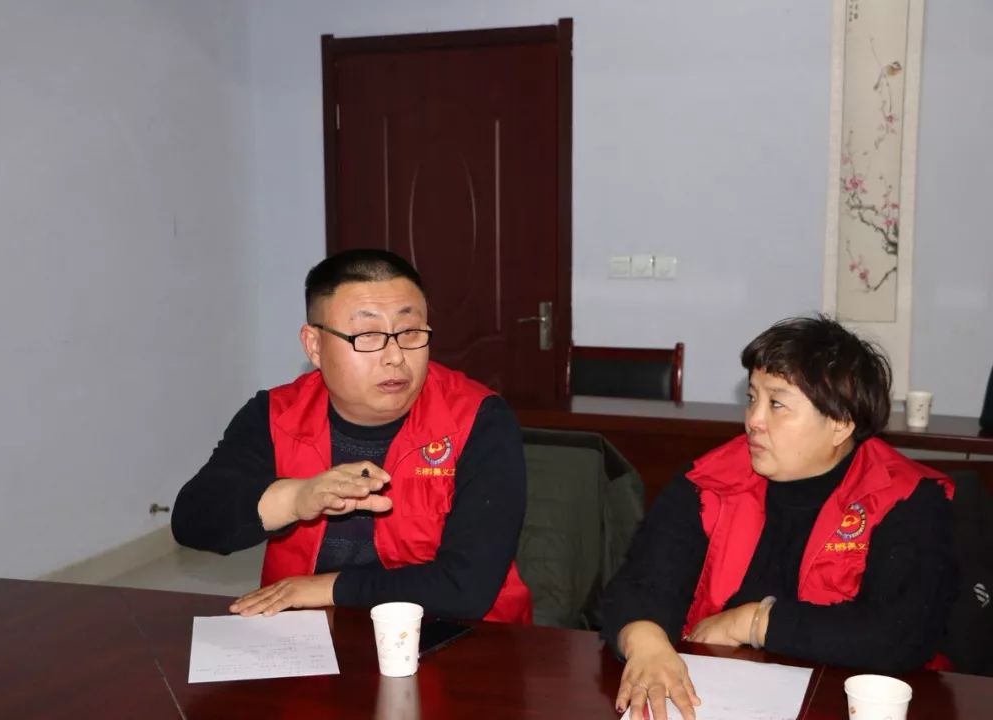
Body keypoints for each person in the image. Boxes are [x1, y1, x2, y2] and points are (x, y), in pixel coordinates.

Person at [601, 316, 957, 720]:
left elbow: (896, 634)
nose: (753, 420)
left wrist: (753, 622)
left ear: (840, 422)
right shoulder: (709, 481)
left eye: (776, 404)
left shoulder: (907, 499)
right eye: (752, 398)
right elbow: (640, 583)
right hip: (719, 698)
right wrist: (645, 641)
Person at [172, 249, 532, 623]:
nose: (395, 356)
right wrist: (297, 497)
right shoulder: (277, 414)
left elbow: (466, 588)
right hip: (307, 633)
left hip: (461, 634)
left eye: (410, 333)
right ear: (314, 345)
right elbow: (193, 521)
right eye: (367, 335)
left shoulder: (479, 419)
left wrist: (326, 588)